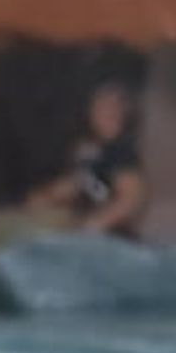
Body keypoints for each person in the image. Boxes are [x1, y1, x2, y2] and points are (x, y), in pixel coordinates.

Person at [28, 80, 146, 236]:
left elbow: (131, 199)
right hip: (84, 232)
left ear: (123, 113)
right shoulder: (92, 152)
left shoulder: (121, 152)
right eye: (97, 105)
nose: (99, 111)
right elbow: (76, 184)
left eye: (109, 106)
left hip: (113, 239)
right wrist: (45, 197)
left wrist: (94, 224)